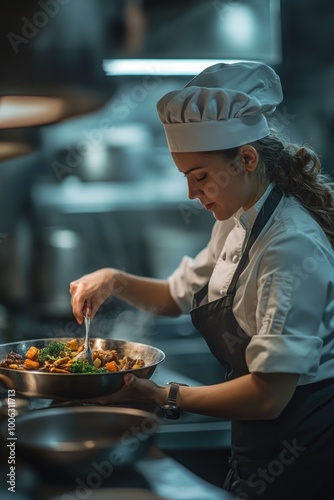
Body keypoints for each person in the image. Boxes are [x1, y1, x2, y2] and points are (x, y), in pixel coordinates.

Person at [69, 62, 334, 499]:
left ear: (246, 159)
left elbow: (269, 396)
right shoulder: (235, 222)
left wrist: (159, 395)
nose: (192, 194)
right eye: (186, 178)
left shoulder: (290, 248)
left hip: (305, 453)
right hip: (256, 447)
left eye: (200, 177)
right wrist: (112, 280)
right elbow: (176, 296)